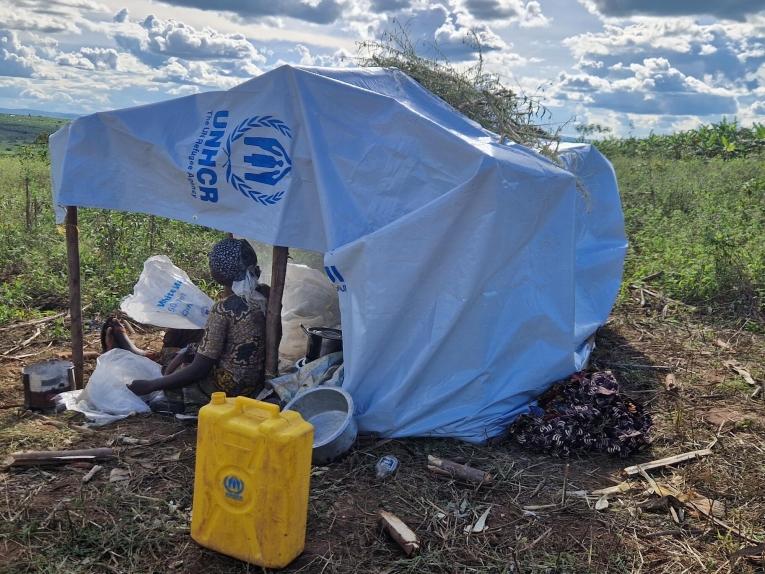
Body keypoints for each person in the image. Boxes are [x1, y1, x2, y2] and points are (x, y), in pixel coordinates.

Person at [105, 238, 269, 413]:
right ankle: (144, 355)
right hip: (255, 381)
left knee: (171, 383)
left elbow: (199, 369)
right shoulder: (265, 293)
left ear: (220, 273)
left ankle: (149, 362)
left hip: (230, 388)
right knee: (188, 346)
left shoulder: (223, 309)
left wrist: (150, 386)